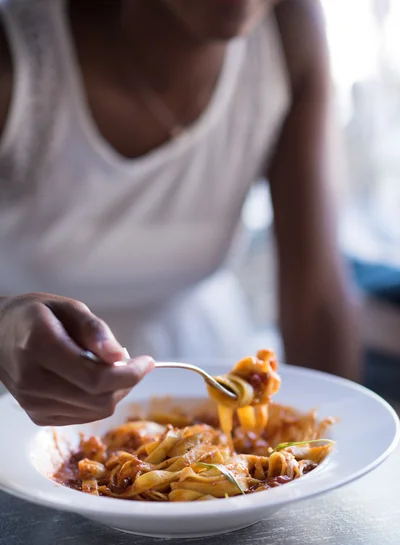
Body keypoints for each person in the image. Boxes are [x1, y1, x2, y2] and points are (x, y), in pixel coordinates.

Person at [0, 0, 359, 426]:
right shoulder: (16, 53)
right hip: (18, 405)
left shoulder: (291, 30)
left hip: (210, 356)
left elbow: (315, 302)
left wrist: (340, 451)